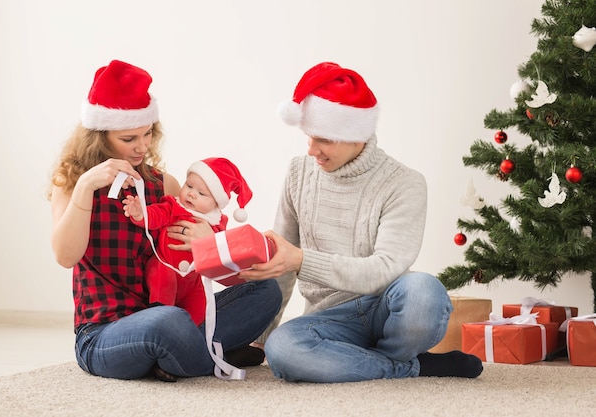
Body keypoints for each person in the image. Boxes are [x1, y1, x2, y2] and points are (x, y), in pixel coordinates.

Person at [239, 62, 483, 383]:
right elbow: (279, 263)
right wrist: (261, 336)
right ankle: (415, 367)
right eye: (308, 138)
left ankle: (365, 360)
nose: (312, 150)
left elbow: (383, 269)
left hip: (385, 306)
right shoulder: (299, 173)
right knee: (282, 349)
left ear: (355, 136)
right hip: (327, 319)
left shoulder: (405, 183)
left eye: (323, 139)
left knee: (425, 293)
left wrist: (301, 260)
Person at [48, 59, 281, 382]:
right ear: (98, 138)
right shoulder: (73, 184)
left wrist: (207, 241)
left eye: (147, 134)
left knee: (265, 290)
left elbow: (204, 268)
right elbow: (65, 256)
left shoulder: (163, 185)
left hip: (172, 315)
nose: (142, 146)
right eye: (129, 139)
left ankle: (186, 356)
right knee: (165, 322)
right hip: (104, 334)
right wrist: (87, 185)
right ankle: (212, 355)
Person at [122, 156, 253, 327]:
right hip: (166, 266)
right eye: (189, 186)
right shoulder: (174, 206)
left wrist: (212, 241)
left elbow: (223, 252)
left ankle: (191, 335)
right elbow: (156, 215)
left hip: (193, 280)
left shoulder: (216, 222)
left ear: (216, 204)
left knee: (200, 307)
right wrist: (140, 214)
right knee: (163, 281)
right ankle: (160, 319)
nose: (191, 193)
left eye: (201, 194)